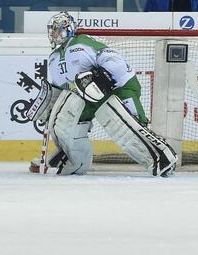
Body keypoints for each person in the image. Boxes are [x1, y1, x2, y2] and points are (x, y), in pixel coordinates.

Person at [28, 12, 177, 177]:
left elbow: (115, 60)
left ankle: (162, 158)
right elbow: (60, 90)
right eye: (52, 30)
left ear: (69, 29)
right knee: (63, 124)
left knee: (129, 124)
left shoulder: (82, 42)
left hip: (118, 88)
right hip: (86, 98)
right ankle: (72, 159)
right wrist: (50, 106)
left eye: (58, 30)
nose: (54, 34)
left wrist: (103, 76)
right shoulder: (54, 58)